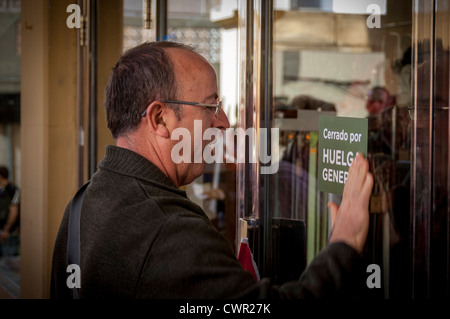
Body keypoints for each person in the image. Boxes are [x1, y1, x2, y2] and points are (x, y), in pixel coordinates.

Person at [51, 41, 373, 299]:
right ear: (160, 119)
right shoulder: (170, 233)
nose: (223, 123)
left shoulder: (82, 204)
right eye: (211, 106)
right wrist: (344, 245)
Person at [0, 166, 20, 257]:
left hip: (10, 233)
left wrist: (6, 230)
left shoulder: (13, 190)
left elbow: (13, 212)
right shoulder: (2, 190)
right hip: (4, 231)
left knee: (8, 260)